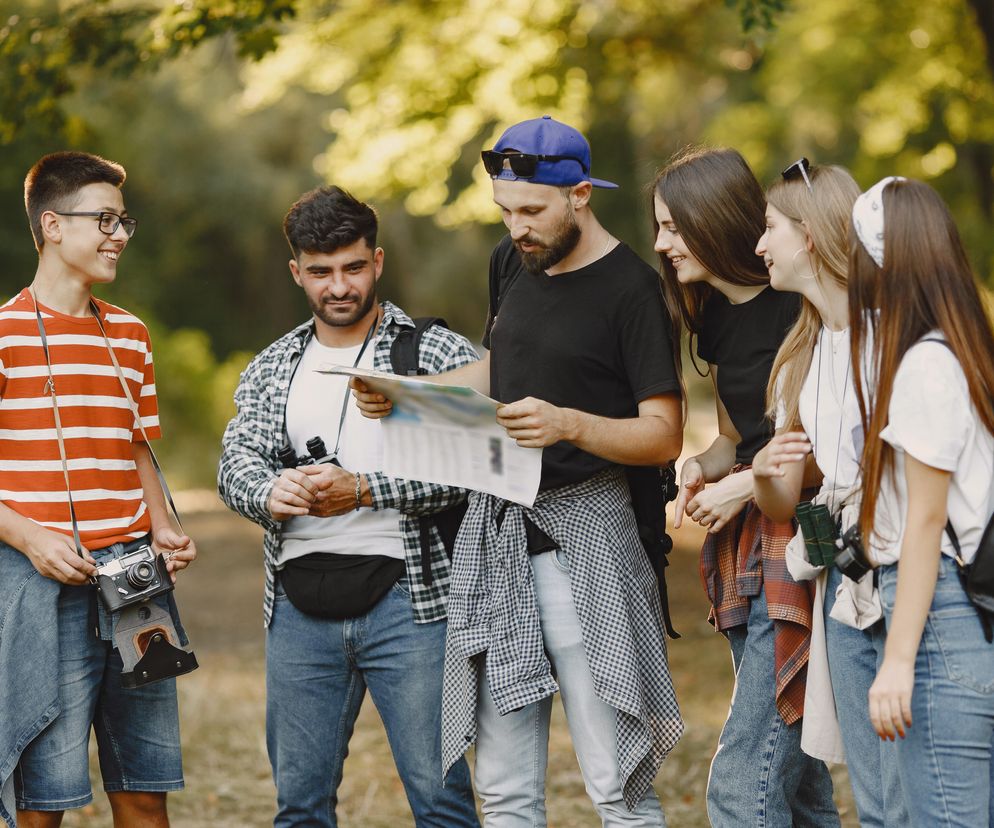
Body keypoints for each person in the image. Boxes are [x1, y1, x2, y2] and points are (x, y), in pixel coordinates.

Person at [354, 115, 684, 826]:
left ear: (581, 194)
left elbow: (664, 435)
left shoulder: (634, 290)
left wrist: (569, 425)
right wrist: (414, 399)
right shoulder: (513, 262)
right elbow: (500, 367)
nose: (517, 227)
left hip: (588, 543)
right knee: (503, 788)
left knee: (614, 783)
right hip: (500, 540)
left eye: (531, 210)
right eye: (505, 211)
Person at [217, 185, 481, 828]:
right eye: (321, 271)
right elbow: (236, 462)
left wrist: (365, 489)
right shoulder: (273, 364)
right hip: (297, 608)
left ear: (378, 261)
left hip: (413, 605)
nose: (339, 286)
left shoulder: (437, 354)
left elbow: (479, 466)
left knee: (441, 804)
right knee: (299, 808)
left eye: (353, 267)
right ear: (296, 272)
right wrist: (269, 492)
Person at [0, 151, 196, 828]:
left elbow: (136, 448)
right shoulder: (4, 335)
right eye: (103, 220)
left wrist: (165, 526)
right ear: (52, 226)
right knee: (41, 802)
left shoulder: (131, 336)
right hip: (38, 590)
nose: (118, 234)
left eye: (123, 221)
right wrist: (29, 537)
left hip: (136, 590)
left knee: (145, 793)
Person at [654, 147, 838, 827]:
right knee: (798, 781)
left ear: (713, 220)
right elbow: (737, 436)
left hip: (806, 547)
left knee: (744, 782)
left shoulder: (802, 307)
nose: (660, 243)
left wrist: (740, 488)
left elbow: (824, 446)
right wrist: (702, 464)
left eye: (673, 227)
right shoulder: (718, 319)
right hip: (751, 554)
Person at [752, 161, 912, 827]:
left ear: (810, 236)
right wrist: (762, 473)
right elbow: (786, 502)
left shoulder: (894, 338)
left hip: (905, 575)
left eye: (769, 229)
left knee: (915, 790)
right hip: (842, 588)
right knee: (871, 801)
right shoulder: (806, 352)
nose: (759, 246)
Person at [848, 178, 994, 825]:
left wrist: (898, 662)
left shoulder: (925, 368)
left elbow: (925, 523)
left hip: (941, 622)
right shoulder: (968, 352)